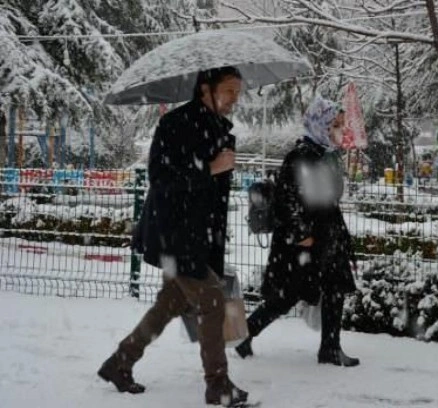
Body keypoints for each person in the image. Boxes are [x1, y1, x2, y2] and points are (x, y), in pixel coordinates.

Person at [98, 66, 249, 407]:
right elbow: (162, 178)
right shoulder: (176, 124)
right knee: (212, 302)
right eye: (229, 91)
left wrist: (219, 168)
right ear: (205, 89)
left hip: (199, 235)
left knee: (170, 303)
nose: (234, 99)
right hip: (174, 233)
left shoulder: (218, 128)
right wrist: (210, 168)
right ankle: (218, 386)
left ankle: (120, 363)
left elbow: (210, 191)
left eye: (238, 93)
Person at [235, 97, 360, 367]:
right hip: (304, 243)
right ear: (320, 126)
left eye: (340, 125)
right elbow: (287, 199)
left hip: (326, 236)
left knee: (334, 287)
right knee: (286, 296)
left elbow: (330, 195)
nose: (340, 130)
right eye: (335, 125)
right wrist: (302, 234)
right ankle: (244, 334)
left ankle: (330, 348)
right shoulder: (301, 156)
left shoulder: (324, 155)